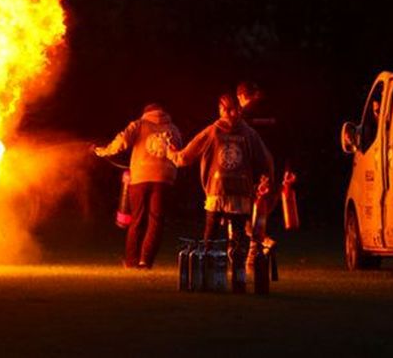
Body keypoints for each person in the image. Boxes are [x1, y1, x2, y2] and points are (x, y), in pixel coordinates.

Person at [167, 94, 273, 292]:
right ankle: (238, 282)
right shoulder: (249, 134)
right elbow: (265, 161)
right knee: (239, 239)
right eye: (229, 110)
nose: (231, 114)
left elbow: (185, 157)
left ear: (222, 110)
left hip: (217, 192)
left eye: (232, 110)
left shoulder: (213, 131)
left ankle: (209, 280)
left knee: (212, 239)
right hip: (241, 194)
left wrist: (171, 153)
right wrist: (265, 180)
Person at [93, 103, 182, 269]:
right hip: (164, 179)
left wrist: (104, 151)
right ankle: (145, 261)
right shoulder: (173, 129)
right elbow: (179, 151)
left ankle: (131, 260)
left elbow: (122, 140)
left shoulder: (139, 124)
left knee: (137, 219)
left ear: (146, 113)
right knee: (155, 221)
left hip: (140, 177)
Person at [236, 81, 296, 267]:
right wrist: (288, 169)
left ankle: (258, 249)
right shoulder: (276, 112)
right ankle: (256, 254)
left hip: (250, 174)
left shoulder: (243, 115)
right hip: (274, 172)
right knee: (260, 215)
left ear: (241, 96)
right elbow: (288, 142)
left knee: (243, 216)